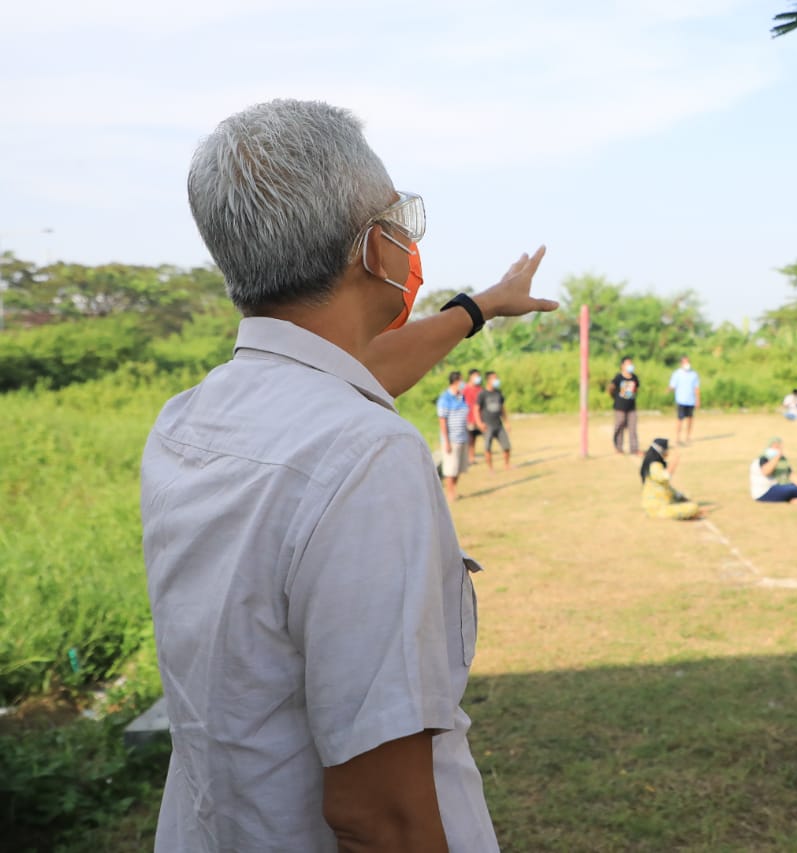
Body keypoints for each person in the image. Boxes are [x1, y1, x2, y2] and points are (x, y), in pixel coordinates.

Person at [141, 99, 557, 853]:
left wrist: (480, 307)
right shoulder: (366, 455)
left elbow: (350, 373)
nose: (409, 239)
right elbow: (379, 816)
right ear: (374, 249)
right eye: (402, 219)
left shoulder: (191, 420)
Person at [748, 437, 797, 504]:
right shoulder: (762, 459)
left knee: (795, 487)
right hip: (764, 492)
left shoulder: (782, 460)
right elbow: (766, 472)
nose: (778, 450)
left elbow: (791, 475)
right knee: (791, 489)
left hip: (778, 487)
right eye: (775, 447)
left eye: (779, 447)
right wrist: (777, 457)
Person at [639, 437, 702, 519]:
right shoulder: (654, 465)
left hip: (659, 505)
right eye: (667, 450)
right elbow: (665, 477)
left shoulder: (654, 464)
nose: (668, 452)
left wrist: (681, 497)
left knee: (687, 502)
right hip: (657, 508)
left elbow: (667, 487)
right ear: (662, 451)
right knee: (693, 507)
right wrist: (675, 461)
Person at [437, 371, 472, 499]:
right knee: (450, 468)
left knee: (458, 468)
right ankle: (450, 494)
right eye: (462, 381)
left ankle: (454, 491)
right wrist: (446, 442)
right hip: (451, 439)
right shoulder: (445, 398)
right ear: (456, 382)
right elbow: (442, 421)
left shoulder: (461, 397)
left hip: (462, 437)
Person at [476, 370, 511, 470]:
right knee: (488, 447)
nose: (497, 380)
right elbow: (476, 409)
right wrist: (479, 423)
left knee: (507, 446)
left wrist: (506, 422)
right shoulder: (482, 394)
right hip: (488, 425)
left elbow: (502, 408)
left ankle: (507, 465)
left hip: (499, 424)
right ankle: (490, 468)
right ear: (489, 380)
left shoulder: (498, 393)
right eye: (495, 378)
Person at [608, 355, 641, 455]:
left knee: (633, 428)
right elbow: (611, 388)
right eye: (628, 364)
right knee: (619, 425)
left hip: (631, 407)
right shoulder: (618, 377)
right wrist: (615, 397)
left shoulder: (634, 378)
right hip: (620, 407)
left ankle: (634, 448)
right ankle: (619, 448)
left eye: (631, 364)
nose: (630, 366)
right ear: (622, 366)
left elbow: (636, 389)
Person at [668, 355, 701, 445]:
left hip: (691, 400)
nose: (687, 364)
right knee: (680, 419)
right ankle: (678, 438)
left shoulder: (694, 374)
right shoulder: (676, 374)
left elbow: (696, 388)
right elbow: (672, 385)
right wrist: (668, 390)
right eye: (685, 362)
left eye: (688, 362)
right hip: (681, 400)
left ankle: (688, 437)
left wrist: (698, 399)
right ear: (681, 363)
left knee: (690, 419)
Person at [464, 368, 484, 463]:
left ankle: (472, 456)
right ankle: (469, 457)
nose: (478, 378)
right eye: (476, 376)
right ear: (470, 377)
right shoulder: (465, 389)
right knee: (469, 438)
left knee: (474, 438)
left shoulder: (480, 389)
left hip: (479, 418)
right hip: (468, 417)